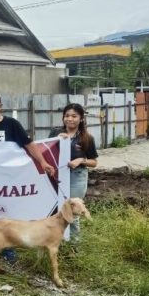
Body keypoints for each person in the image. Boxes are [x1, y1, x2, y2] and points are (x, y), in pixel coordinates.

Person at [0, 92, 56, 262]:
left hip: (7, 183)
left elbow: (29, 145)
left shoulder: (12, 124)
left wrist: (43, 162)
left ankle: (7, 251)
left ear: (0, 106)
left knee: (7, 217)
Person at [49, 103, 98, 241]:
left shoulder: (87, 138)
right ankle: (57, 241)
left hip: (77, 177)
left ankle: (74, 247)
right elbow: (46, 151)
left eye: (74, 116)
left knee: (72, 212)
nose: (70, 119)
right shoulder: (55, 133)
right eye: (67, 116)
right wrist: (56, 140)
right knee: (56, 210)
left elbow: (94, 162)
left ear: (81, 118)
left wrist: (81, 160)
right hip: (57, 176)